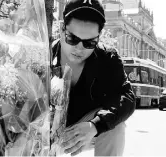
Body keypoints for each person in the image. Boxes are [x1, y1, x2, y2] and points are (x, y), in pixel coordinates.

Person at [51, 0, 136, 156]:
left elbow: (127, 97)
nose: (79, 48)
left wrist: (95, 125)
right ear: (62, 29)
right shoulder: (44, 54)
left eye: (89, 43)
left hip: (83, 130)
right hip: (42, 130)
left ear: (99, 37)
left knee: (115, 125)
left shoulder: (108, 58)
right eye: (72, 38)